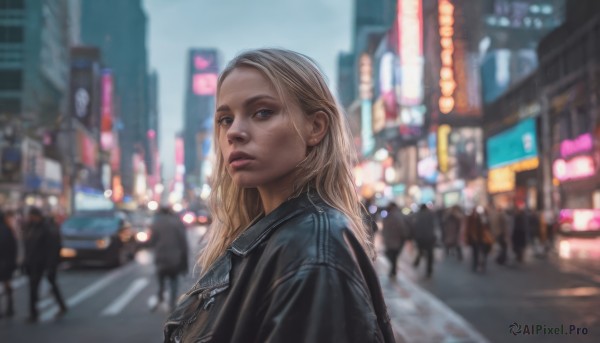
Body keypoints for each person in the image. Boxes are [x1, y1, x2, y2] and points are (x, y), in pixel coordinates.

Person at [164, 49, 395, 343]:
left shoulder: (312, 247)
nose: (234, 132)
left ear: (316, 127)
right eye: (225, 119)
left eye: (262, 113)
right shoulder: (274, 236)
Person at [22, 207, 67, 323]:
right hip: (34, 262)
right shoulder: (30, 227)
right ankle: (33, 312)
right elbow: (28, 246)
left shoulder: (46, 228)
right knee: (33, 287)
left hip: (44, 262)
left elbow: (52, 248)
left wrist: (51, 265)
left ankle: (61, 305)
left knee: (50, 283)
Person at [150, 206, 189, 311]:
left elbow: (152, 242)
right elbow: (183, 244)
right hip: (175, 258)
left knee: (161, 280)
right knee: (174, 281)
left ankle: (160, 298)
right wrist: (185, 263)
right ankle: (172, 304)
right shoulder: (177, 223)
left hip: (161, 258)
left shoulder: (156, 224)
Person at [381, 202, 410, 277]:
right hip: (395, 239)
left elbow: (401, 227)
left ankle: (393, 270)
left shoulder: (393, 216)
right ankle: (393, 269)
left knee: (392, 255)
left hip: (394, 239)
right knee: (393, 255)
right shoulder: (394, 215)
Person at [465, 206, 494, 273]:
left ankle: (480, 265)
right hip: (475, 239)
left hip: (481, 238)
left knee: (482, 252)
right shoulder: (471, 219)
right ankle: (476, 265)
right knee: (476, 253)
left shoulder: (482, 218)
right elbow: (468, 229)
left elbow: (487, 228)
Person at [0, 210, 18, 318]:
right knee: (7, 284)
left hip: (3, 261)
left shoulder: (6, 229)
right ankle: (10, 306)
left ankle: (6, 308)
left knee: (5, 285)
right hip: (7, 261)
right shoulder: (8, 230)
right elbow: (13, 247)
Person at [411, 204, 437, 278]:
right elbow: (433, 225)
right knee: (430, 254)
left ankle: (417, 261)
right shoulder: (430, 215)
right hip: (429, 237)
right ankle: (429, 270)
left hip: (420, 237)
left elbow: (414, 226)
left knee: (420, 250)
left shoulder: (417, 215)